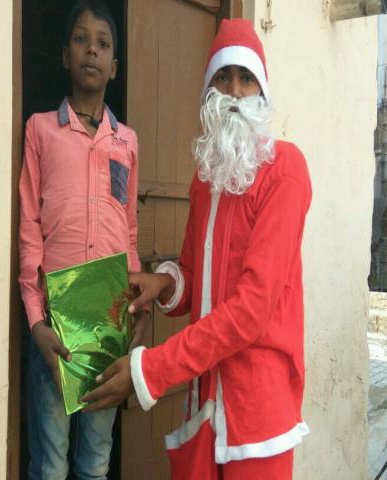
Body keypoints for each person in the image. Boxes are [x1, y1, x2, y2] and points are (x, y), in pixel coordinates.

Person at [81, 18, 312, 479]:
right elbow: (193, 275)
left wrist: (150, 370)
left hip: (256, 415)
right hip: (204, 402)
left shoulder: (285, 169)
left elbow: (251, 309)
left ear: (262, 91)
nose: (234, 91)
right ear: (208, 89)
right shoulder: (206, 179)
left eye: (246, 78)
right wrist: (162, 284)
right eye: (223, 77)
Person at [18, 1, 148, 478]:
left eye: (103, 43)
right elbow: (29, 227)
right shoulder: (41, 130)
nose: (91, 49)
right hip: (54, 322)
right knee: (50, 464)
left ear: (114, 66)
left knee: (95, 462)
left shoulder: (126, 141)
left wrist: (137, 303)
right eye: (80, 39)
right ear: (65, 56)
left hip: (106, 319)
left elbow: (128, 231)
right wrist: (37, 322)